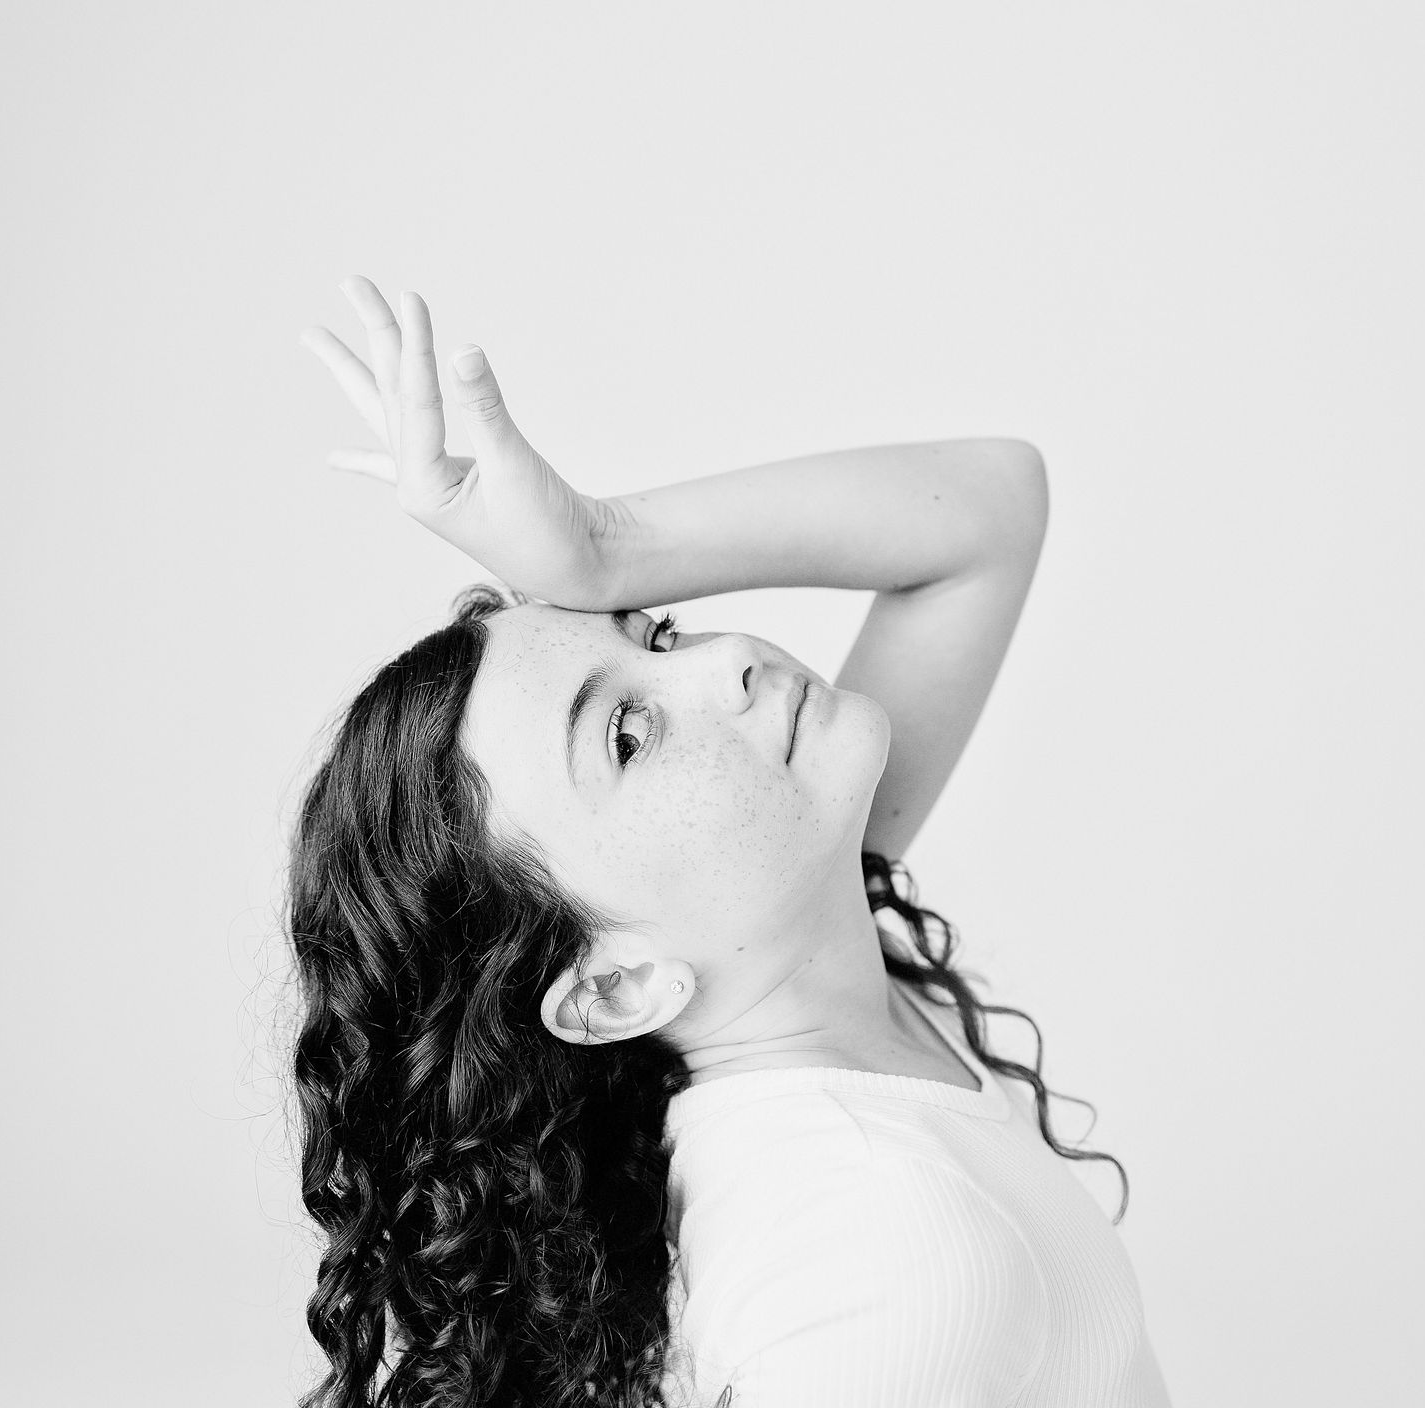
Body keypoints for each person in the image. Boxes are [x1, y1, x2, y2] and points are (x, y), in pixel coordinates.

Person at [287, 276, 1170, 1408]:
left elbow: (988, 510)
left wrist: (605, 547)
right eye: (628, 730)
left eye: (654, 627)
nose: (726, 661)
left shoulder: (808, 958)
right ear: (612, 986)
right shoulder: (878, 1255)